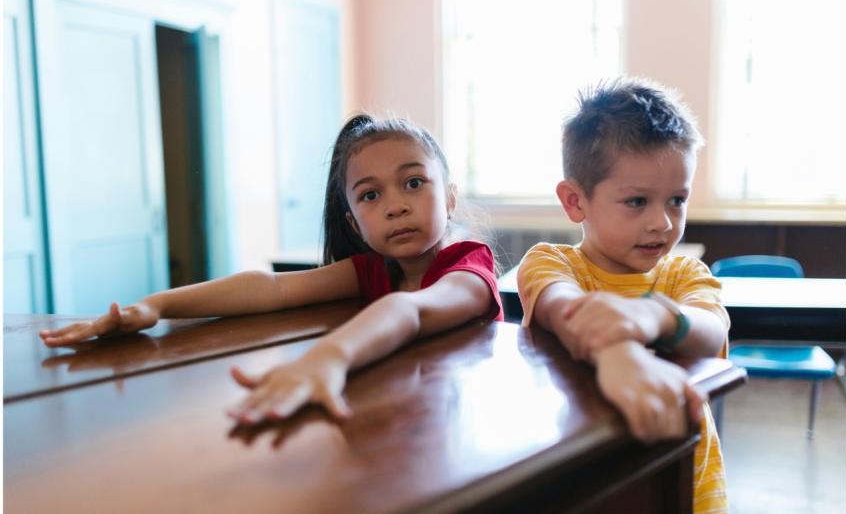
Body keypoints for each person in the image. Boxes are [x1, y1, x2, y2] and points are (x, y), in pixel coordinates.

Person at [40, 114, 503, 424]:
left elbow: (411, 312)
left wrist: (328, 357)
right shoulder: (372, 270)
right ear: (354, 223)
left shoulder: (468, 269)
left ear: (449, 197)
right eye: (370, 195)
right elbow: (271, 289)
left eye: (414, 183)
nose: (395, 206)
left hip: (452, 427)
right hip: (389, 411)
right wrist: (157, 305)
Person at [517, 77, 729, 514]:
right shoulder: (552, 264)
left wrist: (655, 314)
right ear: (575, 201)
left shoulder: (683, 275)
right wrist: (620, 349)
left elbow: (713, 332)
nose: (663, 222)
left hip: (686, 485)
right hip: (595, 486)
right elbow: (564, 308)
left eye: (678, 200)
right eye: (637, 201)